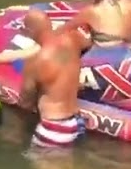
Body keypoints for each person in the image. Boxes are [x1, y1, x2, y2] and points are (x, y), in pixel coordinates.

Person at [18, 10, 90, 148]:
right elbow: (88, 42)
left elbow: (26, 101)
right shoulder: (73, 40)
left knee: (43, 168)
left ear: (31, 31)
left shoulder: (35, 60)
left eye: (24, 28)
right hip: (77, 122)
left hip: (54, 127)